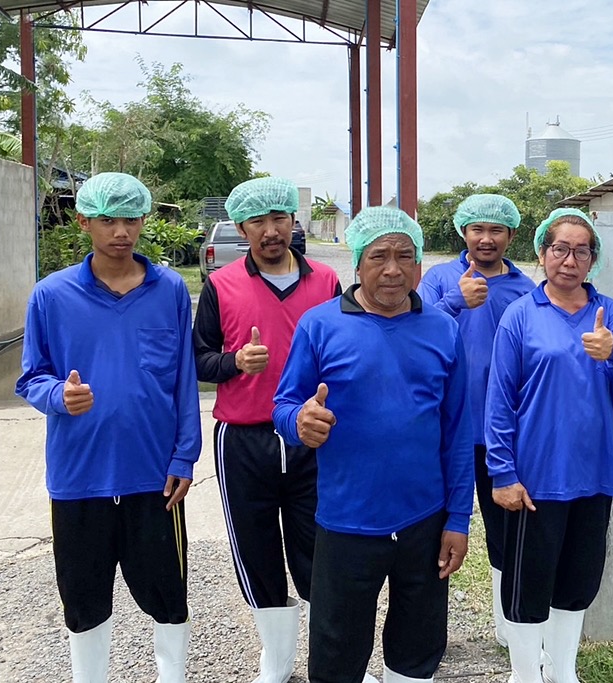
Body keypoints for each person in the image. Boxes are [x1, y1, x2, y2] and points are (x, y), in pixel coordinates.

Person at [272, 205, 474, 683]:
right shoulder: (320, 326)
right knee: (337, 648)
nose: (392, 269)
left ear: (420, 264)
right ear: (357, 264)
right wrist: (300, 421)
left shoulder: (443, 329)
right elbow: (283, 405)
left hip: (423, 520)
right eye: (378, 256)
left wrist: (459, 519)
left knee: (418, 646)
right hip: (345, 520)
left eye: (405, 256)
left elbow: (458, 431)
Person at [15, 172, 201, 683]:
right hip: (80, 475)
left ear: (144, 221)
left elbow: (183, 380)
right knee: (83, 594)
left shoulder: (169, 292)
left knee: (167, 591)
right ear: (84, 223)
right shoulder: (51, 296)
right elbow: (31, 377)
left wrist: (184, 456)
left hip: (154, 475)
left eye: (131, 218)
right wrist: (59, 395)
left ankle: (173, 676)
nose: (121, 230)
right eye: (107, 219)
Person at [485, 208, 613, 683]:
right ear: (542, 252)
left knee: (576, 584)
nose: (569, 259)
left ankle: (563, 672)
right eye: (560, 248)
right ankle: (524, 673)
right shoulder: (520, 316)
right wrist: (503, 473)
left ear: (592, 259)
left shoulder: (610, 314)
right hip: (536, 479)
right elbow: (499, 401)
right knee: (527, 587)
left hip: (594, 474)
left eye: (581, 250)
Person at [193, 176, 340, 683]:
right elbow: (198, 360)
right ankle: (275, 662)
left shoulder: (325, 282)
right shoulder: (221, 284)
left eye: (280, 218)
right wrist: (234, 362)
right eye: (258, 221)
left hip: (312, 437)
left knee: (322, 548)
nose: (271, 230)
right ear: (241, 228)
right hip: (245, 438)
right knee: (256, 549)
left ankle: (333, 660)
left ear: (294, 222)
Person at [416, 193, 534, 647]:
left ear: (511, 235)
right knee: (436, 531)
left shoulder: (526, 291)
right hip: (444, 432)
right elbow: (414, 332)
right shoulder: (440, 279)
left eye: (496, 230)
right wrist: (454, 301)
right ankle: (427, 637)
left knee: (509, 534)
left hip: (504, 435)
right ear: (462, 232)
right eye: (477, 229)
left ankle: (511, 629)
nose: (486, 238)